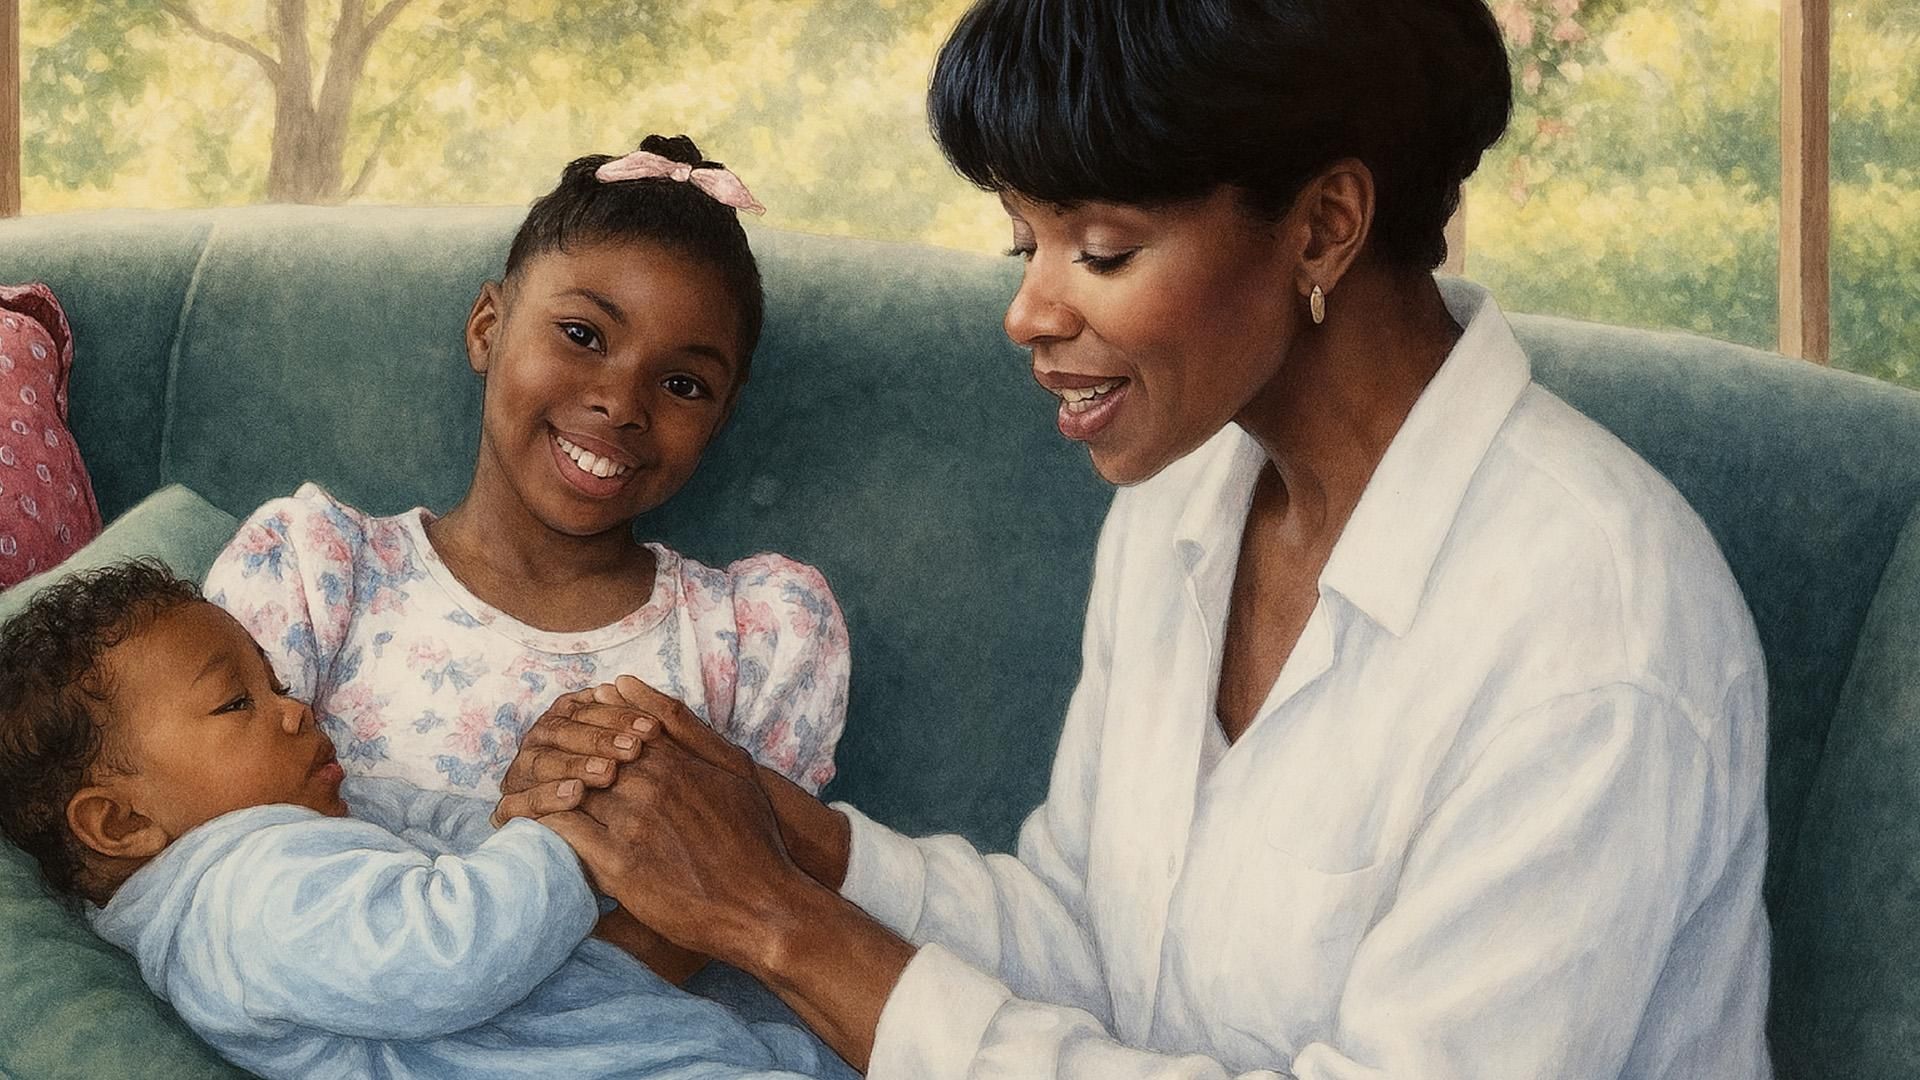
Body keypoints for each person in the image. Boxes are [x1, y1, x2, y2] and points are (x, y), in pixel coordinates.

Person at [497, 1, 1773, 1078]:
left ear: (1325, 225)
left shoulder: (1596, 628)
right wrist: (788, 836)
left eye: (1100, 248)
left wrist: (779, 924)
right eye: (1025, 240)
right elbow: (1095, 946)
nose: (1028, 310)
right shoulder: (1185, 490)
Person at [203, 135, 851, 983]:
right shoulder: (321, 574)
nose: (620, 403)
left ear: (721, 419)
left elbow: (735, 914)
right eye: (582, 334)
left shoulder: (753, 635)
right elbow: (220, 850)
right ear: (487, 326)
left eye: (683, 384)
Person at [0, 560, 857, 1080]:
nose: (292, 710)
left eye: (277, 683)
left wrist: (550, 802)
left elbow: (466, 826)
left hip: (660, 1037)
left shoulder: (312, 809)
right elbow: (447, 947)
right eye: (235, 703)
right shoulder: (242, 903)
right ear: (118, 824)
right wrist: (563, 836)